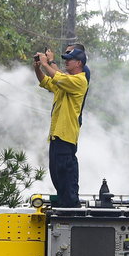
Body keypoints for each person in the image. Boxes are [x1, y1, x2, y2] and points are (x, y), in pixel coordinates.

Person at [34, 46, 89, 208]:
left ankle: (71, 204)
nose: (66, 63)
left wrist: (47, 63)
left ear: (79, 63)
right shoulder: (66, 81)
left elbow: (58, 77)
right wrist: (38, 68)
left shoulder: (79, 80)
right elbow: (46, 81)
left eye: (69, 60)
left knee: (66, 172)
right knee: (56, 172)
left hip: (66, 135)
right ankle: (65, 203)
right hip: (56, 135)